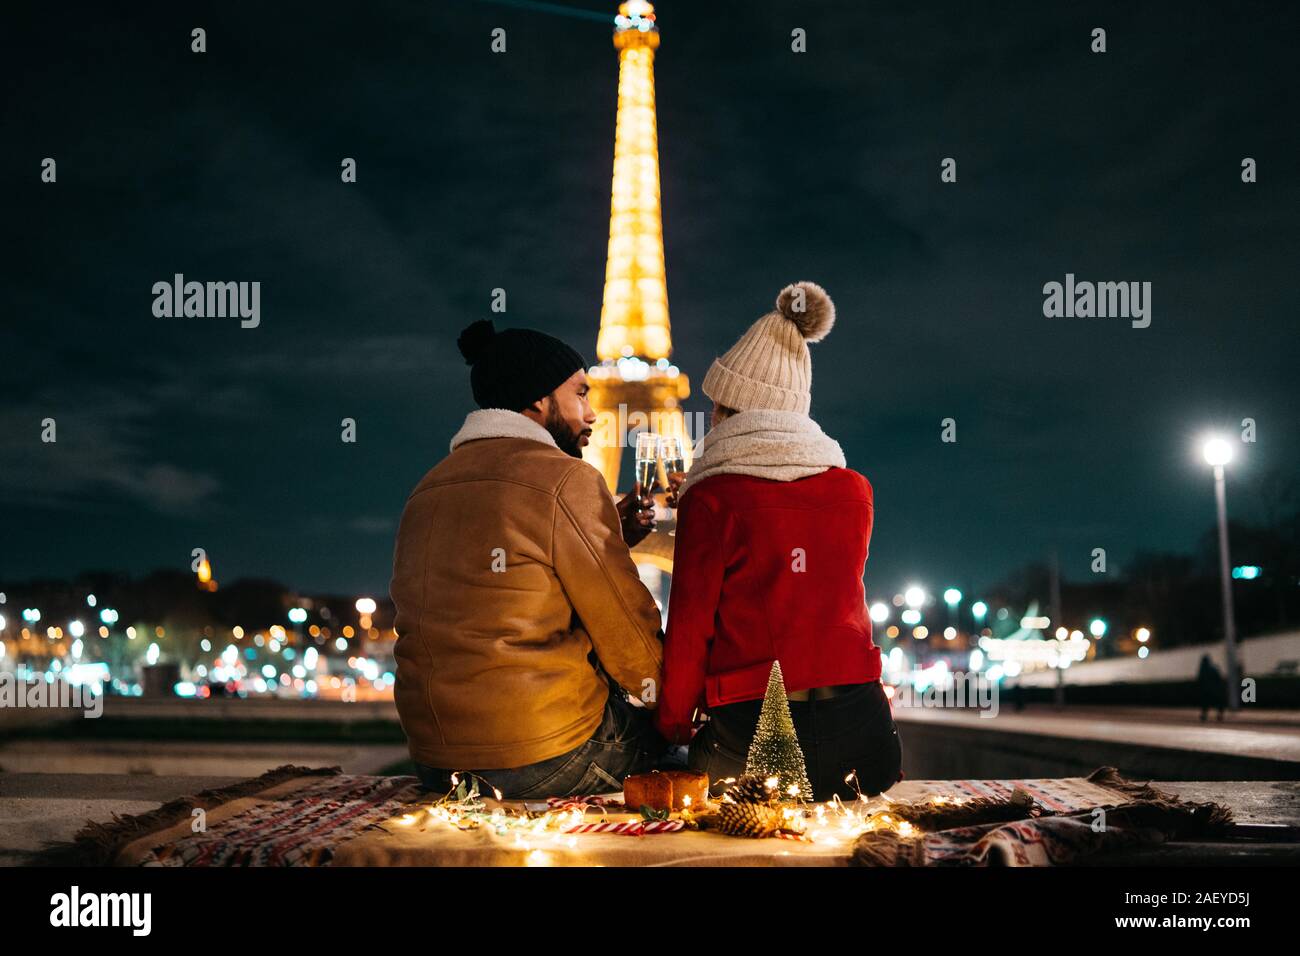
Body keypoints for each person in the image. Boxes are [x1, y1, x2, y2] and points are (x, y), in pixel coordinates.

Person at [390, 318, 666, 799]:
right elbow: (627, 631)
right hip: (541, 754)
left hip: (436, 760)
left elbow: (507, 581)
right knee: (687, 755)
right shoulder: (567, 481)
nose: (593, 415)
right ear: (539, 401)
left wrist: (607, 534)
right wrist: (675, 710)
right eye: (581, 395)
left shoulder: (428, 486)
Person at [656, 281, 902, 801]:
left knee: (670, 763)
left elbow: (689, 632)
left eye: (718, 406)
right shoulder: (855, 490)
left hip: (753, 747)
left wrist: (674, 728)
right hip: (866, 746)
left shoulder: (712, 498)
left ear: (734, 410)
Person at [1196, 654, 1226, 722]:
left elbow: (1199, 681)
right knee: (1219, 703)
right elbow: (1219, 679)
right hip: (1215, 690)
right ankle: (1219, 715)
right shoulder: (1213, 669)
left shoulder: (1202, 670)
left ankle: (1204, 715)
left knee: (1205, 703)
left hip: (1206, 691)